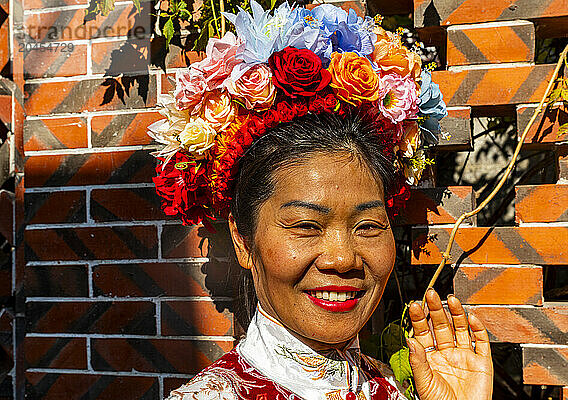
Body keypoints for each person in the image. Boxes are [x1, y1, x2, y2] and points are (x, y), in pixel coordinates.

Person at [147, 2, 494, 399]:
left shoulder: (395, 388)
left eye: (367, 227)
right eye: (306, 226)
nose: (342, 259)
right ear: (243, 241)